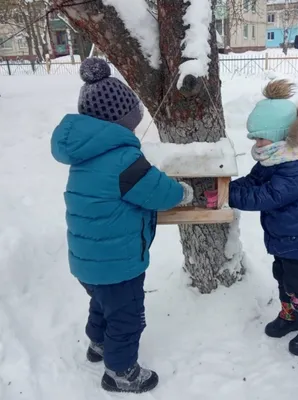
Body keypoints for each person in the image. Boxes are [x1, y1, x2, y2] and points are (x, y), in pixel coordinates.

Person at [51, 57, 193, 393]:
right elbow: (158, 191)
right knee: (127, 316)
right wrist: (182, 192)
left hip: (89, 260)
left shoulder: (85, 155)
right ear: (122, 120)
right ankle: (121, 372)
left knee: (102, 302)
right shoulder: (124, 159)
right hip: (117, 262)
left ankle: (98, 344)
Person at [229, 79, 298, 357]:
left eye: (260, 137)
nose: (257, 144)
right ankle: (290, 315)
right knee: (283, 277)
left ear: (278, 135)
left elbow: (269, 196)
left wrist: (228, 196)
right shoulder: (275, 157)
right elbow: (252, 183)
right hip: (286, 236)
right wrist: (224, 187)